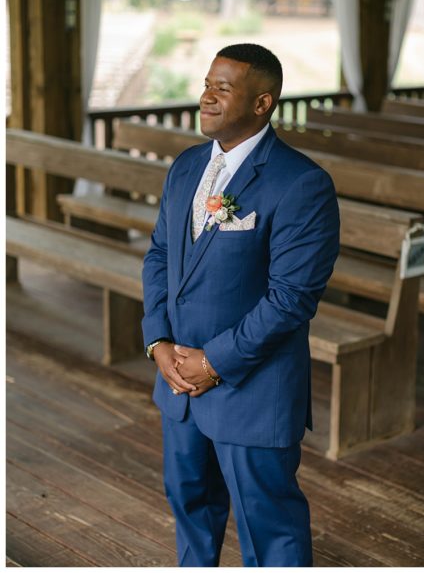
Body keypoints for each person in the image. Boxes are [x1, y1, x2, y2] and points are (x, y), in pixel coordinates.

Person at [141, 43, 340, 566]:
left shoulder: (301, 183)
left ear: (261, 103)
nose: (207, 96)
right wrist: (158, 340)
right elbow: (160, 255)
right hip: (179, 381)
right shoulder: (186, 167)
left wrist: (214, 362)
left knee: (267, 526)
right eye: (207, 84)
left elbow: (291, 299)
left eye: (223, 88)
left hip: (251, 388)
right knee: (189, 504)